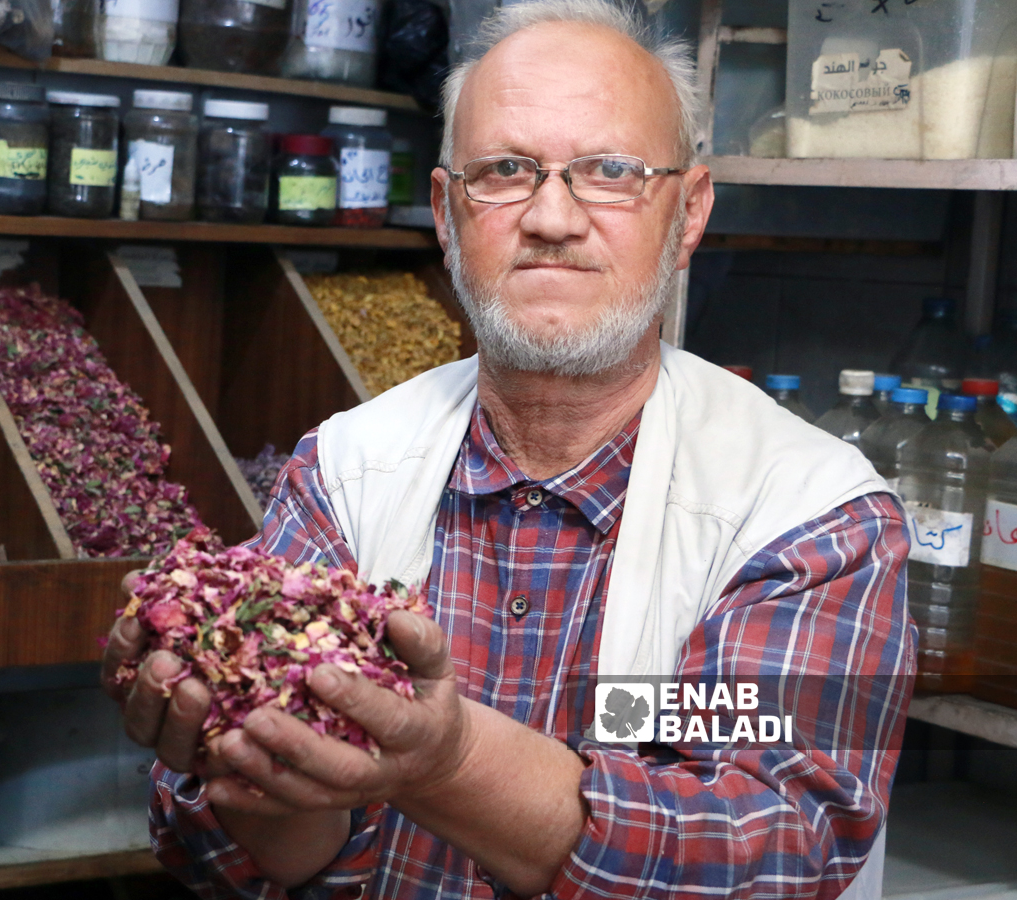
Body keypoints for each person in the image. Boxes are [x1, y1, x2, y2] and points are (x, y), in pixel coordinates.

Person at [102, 0, 915, 898]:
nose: (553, 218)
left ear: (687, 214)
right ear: (447, 214)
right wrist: (255, 754)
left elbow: (775, 852)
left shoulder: (804, 512)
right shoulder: (347, 471)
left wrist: (445, 759)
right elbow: (249, 854)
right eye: (505, 172)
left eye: (610, 171)